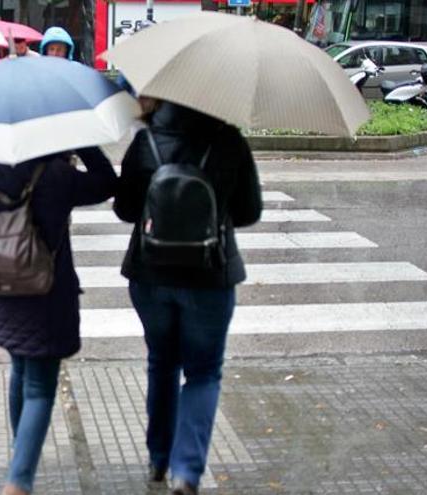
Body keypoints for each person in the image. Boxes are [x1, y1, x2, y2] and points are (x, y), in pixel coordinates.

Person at [113, 99, 262, 495]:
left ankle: (158, 459)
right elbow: (249, 212)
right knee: (203, 372)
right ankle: (186, 471)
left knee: (162, 363)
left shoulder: (147, 141)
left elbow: (126, 210)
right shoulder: (229, 141)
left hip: (151, 274)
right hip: (211, 275)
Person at [0, 148, 117, 495]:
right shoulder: (56, 175)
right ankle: (19, 481)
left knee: (21, 366)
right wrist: (85, 144)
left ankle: (20, 456)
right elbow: (107, 183)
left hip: (0, 285)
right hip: (47, 291)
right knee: (40, 386)